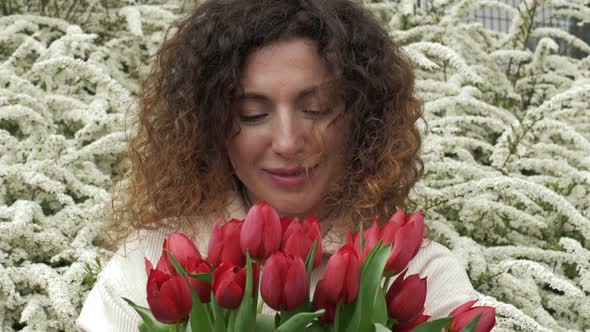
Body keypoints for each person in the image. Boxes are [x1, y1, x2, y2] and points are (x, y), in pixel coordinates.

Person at [77, 0, 478, 330]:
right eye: (253, 114)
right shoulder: (150, 263)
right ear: (210, 125)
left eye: (316, 109)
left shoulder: (420, 272)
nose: (287, 143)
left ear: (363, 118)